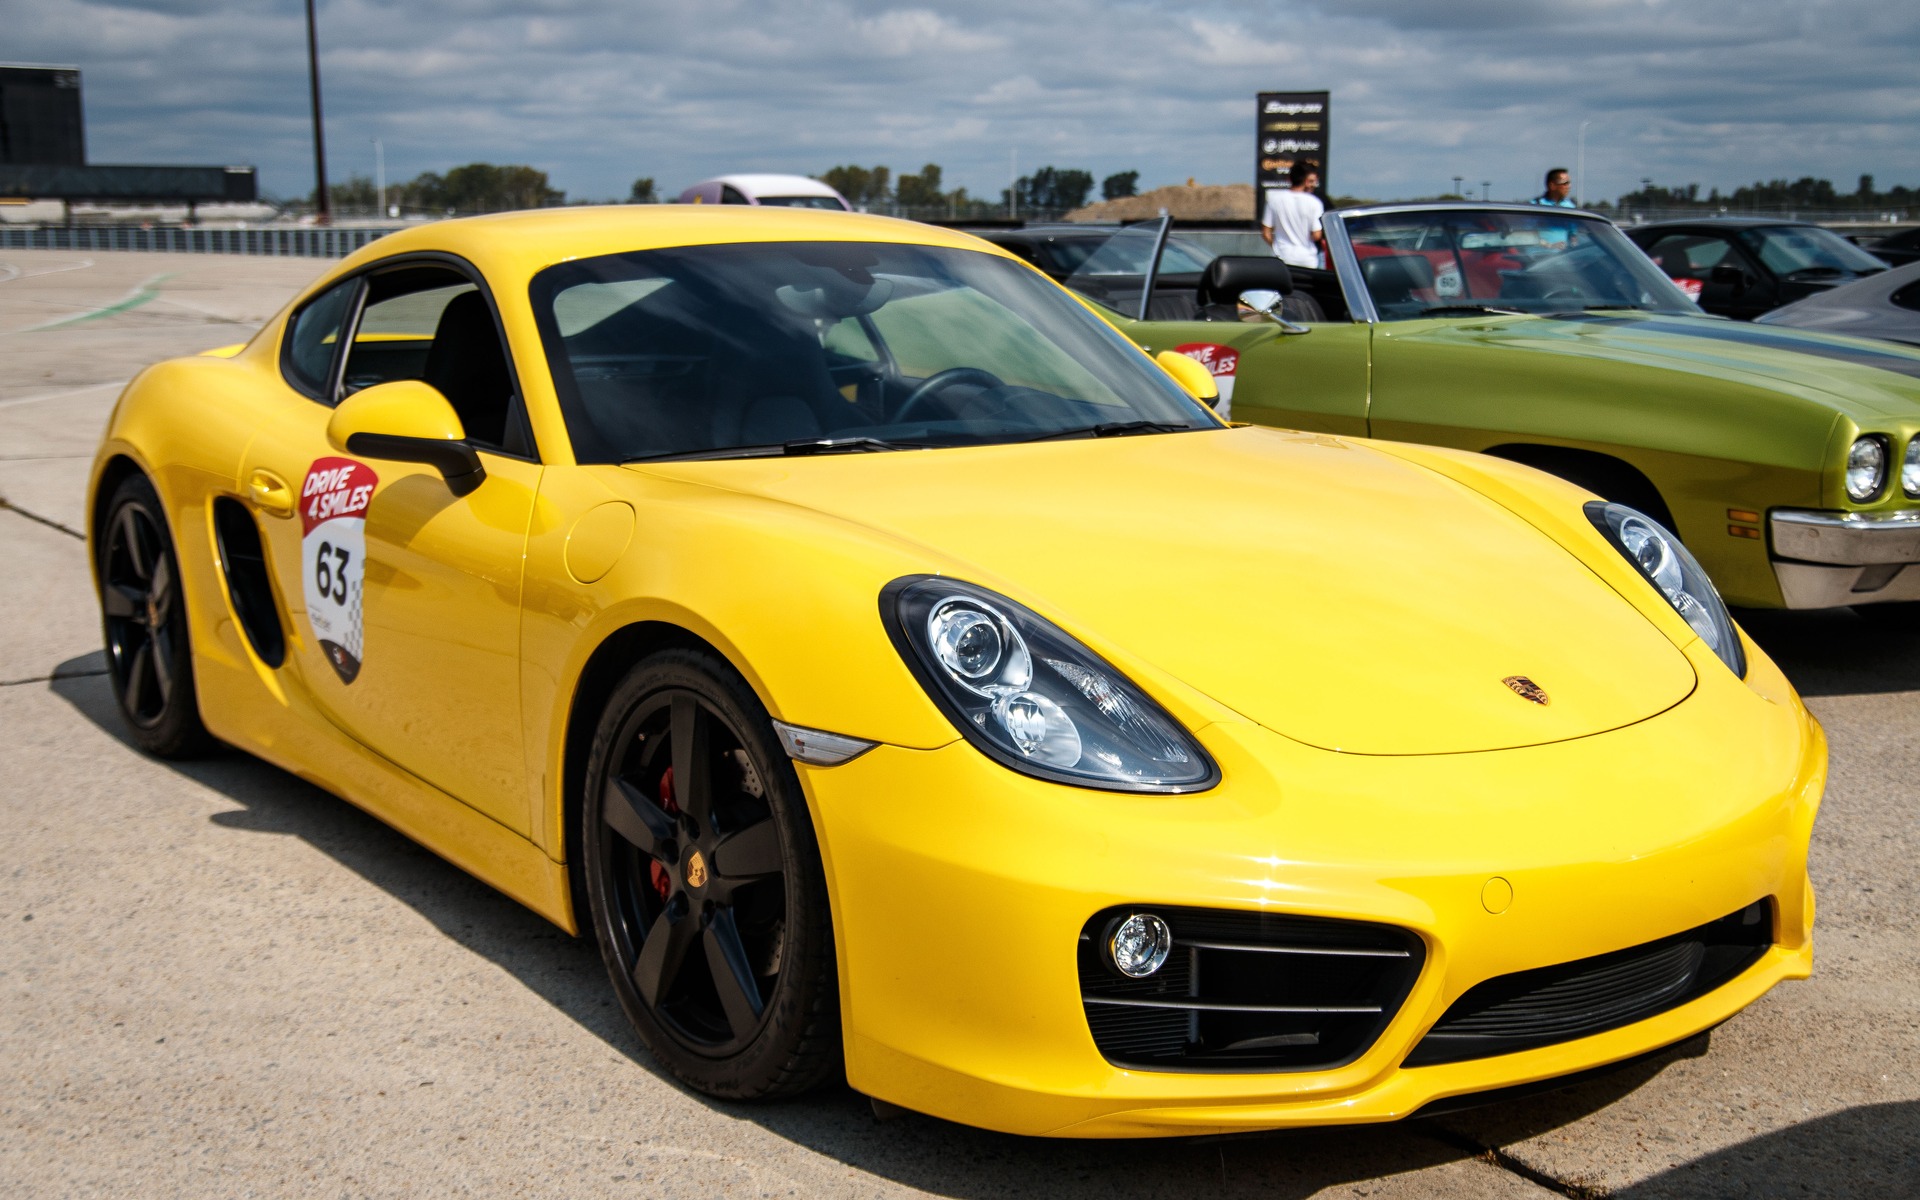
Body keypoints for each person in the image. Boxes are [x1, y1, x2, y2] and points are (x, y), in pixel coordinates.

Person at [1261, 160, 1326, 269]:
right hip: (1307, 258)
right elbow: (1317, 235)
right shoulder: (1314, 202)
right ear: (1305, 180)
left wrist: (1276, 246)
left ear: (1289, 179)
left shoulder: (1274, 200)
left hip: (1282, 257)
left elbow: (1266, 232)